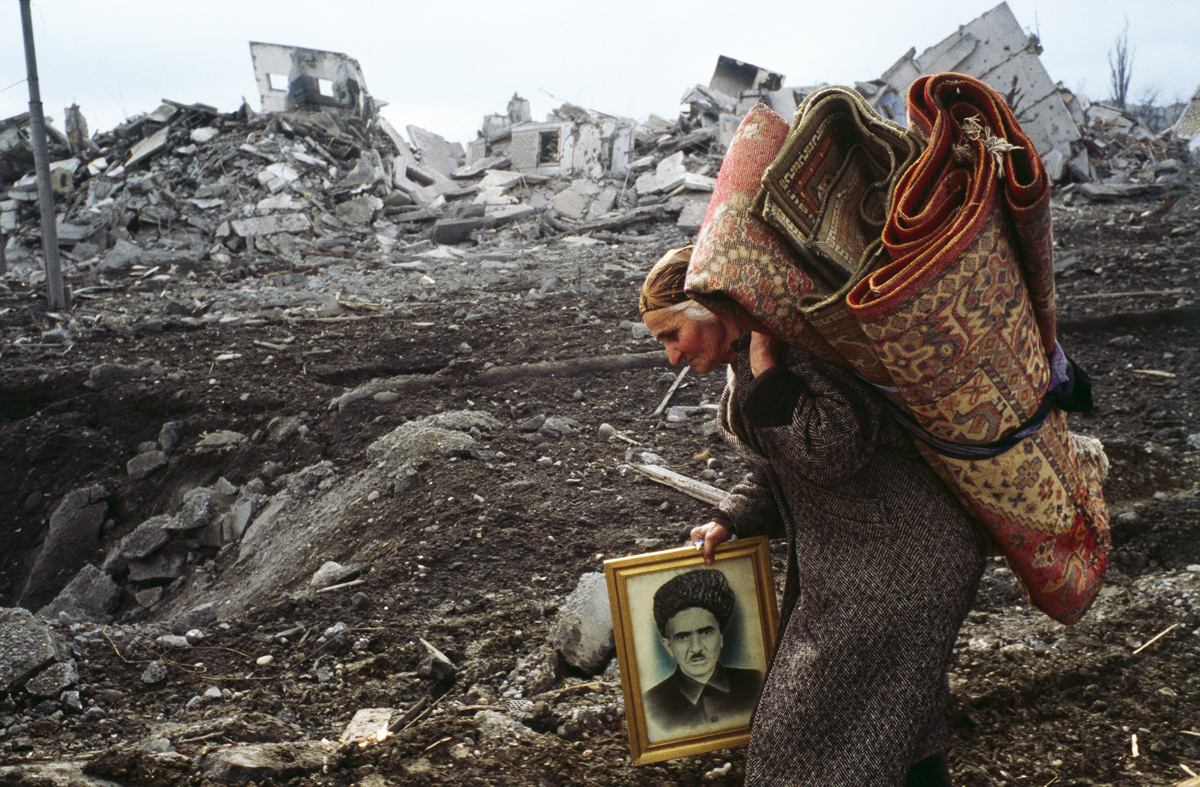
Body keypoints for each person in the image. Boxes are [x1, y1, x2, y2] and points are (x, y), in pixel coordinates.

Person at [639, 246, 987, 787]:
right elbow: (784, 467)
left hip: (901, 562)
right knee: (899, 722)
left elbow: (832, 450)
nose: (671, 357)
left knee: (801, 733)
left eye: (671, 335)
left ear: (710, 311)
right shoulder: (751, 356)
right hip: (873, 558)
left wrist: (766, 369)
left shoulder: (796, 348)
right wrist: (732, 516)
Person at [642, 568, 764, 740]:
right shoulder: (650, 706)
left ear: (720, 637)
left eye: (706, 633)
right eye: (683, 637)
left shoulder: (758, 683)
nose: (696, 648)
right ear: (668, 647)